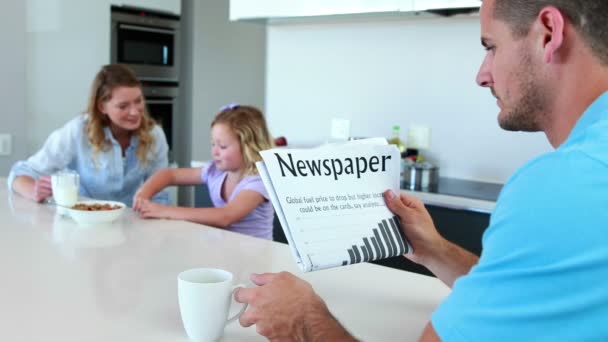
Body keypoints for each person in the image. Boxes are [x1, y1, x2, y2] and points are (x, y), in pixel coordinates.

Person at [234, 0, 608, 340]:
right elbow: (531, 292)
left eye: (490, 47)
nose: (482, 75)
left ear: (548, 33)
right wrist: (436, 251)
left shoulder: (563, 186)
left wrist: (302, 320)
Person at [7, 64, 170, 207]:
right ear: (102, 107)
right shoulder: (77, 131)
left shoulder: (154, 135)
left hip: (131, 223)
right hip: (82, 222)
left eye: (138, 101)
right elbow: (21, 173)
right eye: (123, 106)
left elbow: (160, 195)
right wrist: (34, 191)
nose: (134, 112)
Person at [133, 104, 275, 240]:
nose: (215, 152)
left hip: (257, 256)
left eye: (223, 146)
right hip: (229, 251)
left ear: (248, 147)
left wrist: (164, 211)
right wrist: (142, 195)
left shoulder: (258, 181)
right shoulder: (215, 171)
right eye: (213, 144)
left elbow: (225, 216)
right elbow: (170, 175)